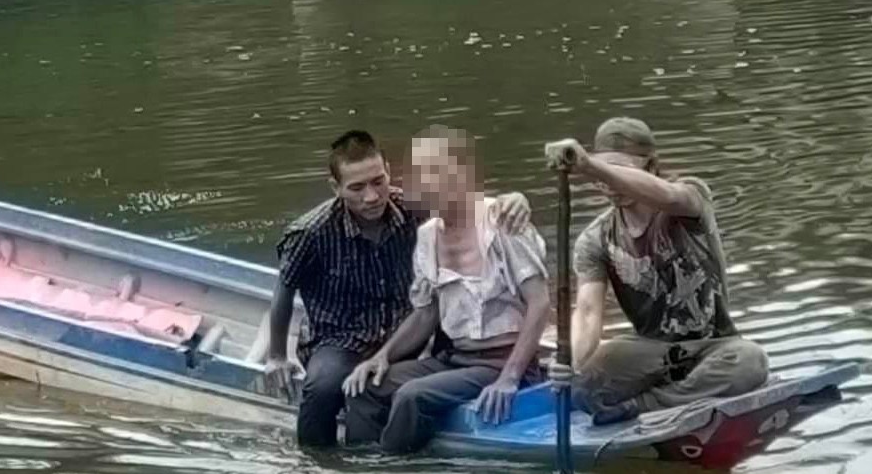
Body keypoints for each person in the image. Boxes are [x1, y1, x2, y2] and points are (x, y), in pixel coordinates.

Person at [264, 128, 531, 451]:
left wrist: (512, 201)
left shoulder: (415, 210)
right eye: (357, 188)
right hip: (341, 338)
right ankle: (318, 461)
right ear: (336, 187)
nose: (372, 197)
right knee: (324, 387)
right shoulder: (310, 231)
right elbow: (283, 291)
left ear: (389, 171)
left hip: (406, 331)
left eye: (379, 181)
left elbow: (469, 210)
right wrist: (277, 356)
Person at [546, 117, 767, 426]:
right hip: (651, 350)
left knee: (750, 362)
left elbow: (671, 196)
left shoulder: (691, 196)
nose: (611, 182)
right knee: (585, 388)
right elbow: (586, 312)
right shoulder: (595, 238)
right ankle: (680, 395)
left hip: (714, 345)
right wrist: (570, 363)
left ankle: (644, 405)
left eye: (622, 171)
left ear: (651, 167)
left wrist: (593, 166)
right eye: (605, 171)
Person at [343, 129, 549, 455]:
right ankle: (361, 466)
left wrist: (509, 378)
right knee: (365, 388)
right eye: (421, 174)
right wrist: (381, 356)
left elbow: (540, 303)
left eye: (437, 172)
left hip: (503, 363)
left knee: (413, 396)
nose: (428, 183)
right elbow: (425, 313)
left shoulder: (501, 222)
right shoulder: (428, 236)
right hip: (456, 360)